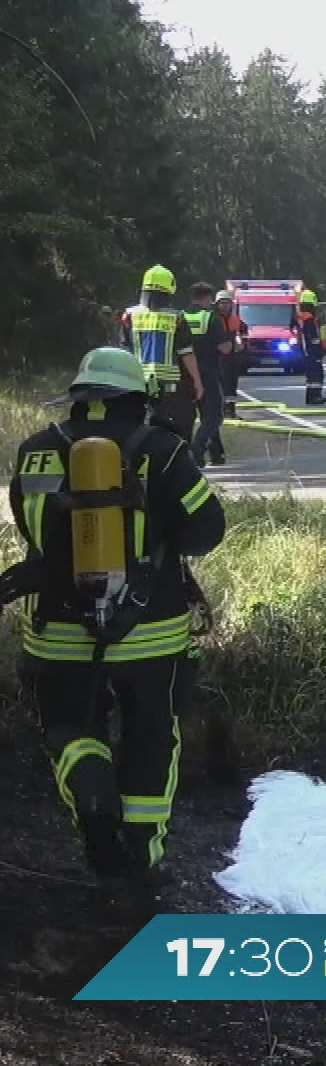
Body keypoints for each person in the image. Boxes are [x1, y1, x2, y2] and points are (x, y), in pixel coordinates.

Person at [0, 347, 226, 917]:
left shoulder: (34, 453)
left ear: (79, 396)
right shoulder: (162, 449)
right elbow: (205, 532)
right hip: (152, 633)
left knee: (69, 728)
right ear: (136, 398)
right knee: (153, 736)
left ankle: (93, 792)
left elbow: (33, 535)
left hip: (58, 633)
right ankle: (143, 858)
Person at [117, 264, 204, 439]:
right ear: (169, 289)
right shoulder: (176, 318)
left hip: (136, 384)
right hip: (170, 387)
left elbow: (123, 352)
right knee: (177, 430)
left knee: (138, 429)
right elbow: (186, 353)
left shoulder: (129, 315)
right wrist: (197, 382)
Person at [181, 282, 230, 467]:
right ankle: (197, 451)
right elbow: (223, 348)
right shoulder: (210, 317)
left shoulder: (181, 317)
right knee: (214, 416)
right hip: (207, 371)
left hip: (185, 372)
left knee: (203, 415)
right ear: (207, 298)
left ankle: (217, 455)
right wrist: (231, 344)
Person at [214, 289, 248, 419]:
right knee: (219, 385)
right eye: (221, 303)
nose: (224, 306)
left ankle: (230, 411)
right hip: (217, 358)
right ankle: (220, 411)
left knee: (232, 385)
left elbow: (244, 331)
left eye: (227, 303)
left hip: (232, 358)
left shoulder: (236, 319)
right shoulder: (213, 319)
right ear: (217, 304)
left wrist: (243, 344)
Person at [296, 289, 326, 405]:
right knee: (316, 374)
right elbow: (313, 337)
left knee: (312, 376)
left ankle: (312, 396)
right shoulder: (309, 320)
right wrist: (319, 350)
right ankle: (314, 397)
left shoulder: (303, 318)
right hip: (312, 352)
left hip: (307, 352)